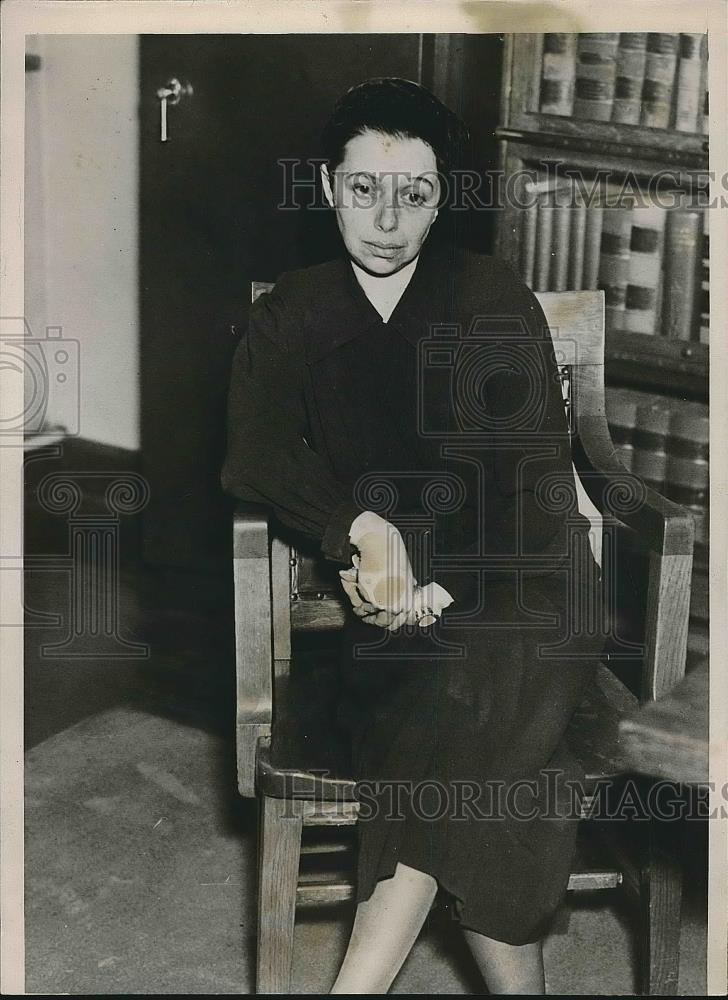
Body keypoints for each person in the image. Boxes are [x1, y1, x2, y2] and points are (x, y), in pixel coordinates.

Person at [222, 77, 604, 994]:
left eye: (417, 193)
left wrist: (453, 580)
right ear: (326, 188)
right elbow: (256, 458)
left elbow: (535, 477)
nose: (388, 219)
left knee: (464, 682)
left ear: (443, 200)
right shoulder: (293, 315)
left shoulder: (489, 292)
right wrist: (359, 525)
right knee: (458, 730)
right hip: (400, 620)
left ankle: (357, 984)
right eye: (365, 190)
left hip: (531, 587)